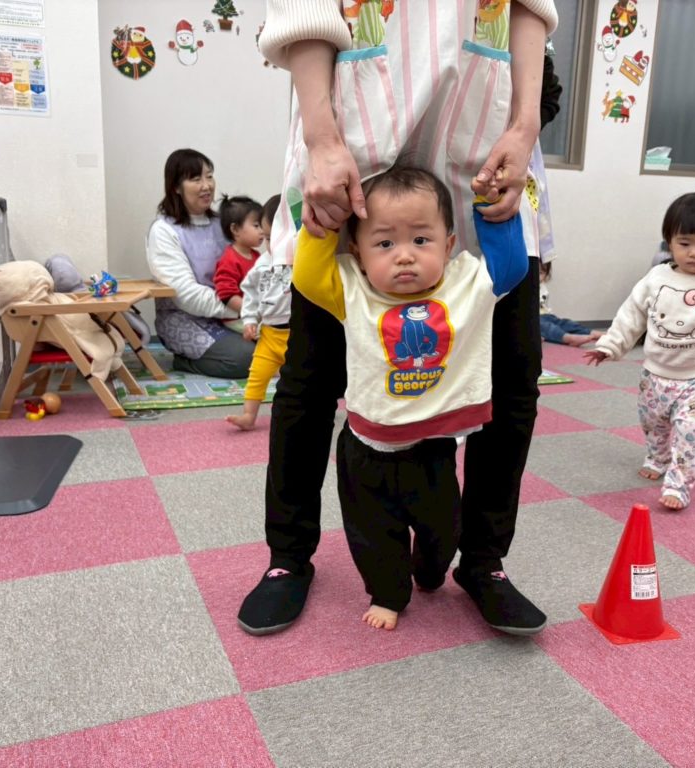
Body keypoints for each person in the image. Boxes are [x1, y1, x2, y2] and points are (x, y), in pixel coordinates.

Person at [238, 0, 559, 637]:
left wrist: (525, 126)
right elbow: (302, 12)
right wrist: (321, 138)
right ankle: (288, 557)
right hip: (355, 143)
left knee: (514, 383)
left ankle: (484, 561)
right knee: (309, 383)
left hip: (483, 137)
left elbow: (533, 8)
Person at [294, 165, 527, 630]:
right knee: (373, 535)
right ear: (358, 254)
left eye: (421, 240)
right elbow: (307, 275)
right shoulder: (352, 288)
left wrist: (493, 210)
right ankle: (387, 593)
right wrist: (321, 227)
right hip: (367, 452)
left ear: (449, 244)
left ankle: (432, 569)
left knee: (444, 532)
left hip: (434, 449)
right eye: (384, 244)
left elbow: (511, 267)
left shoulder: (466, 284)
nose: (404, 256)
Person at [584, 192, 695, 510]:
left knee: (690, 431)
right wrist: (610, 345)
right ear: (669, 241)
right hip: (655, 373)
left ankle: (679, 485)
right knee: (653, 422)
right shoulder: (657, 278)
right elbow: (631, 315)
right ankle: (657, 457)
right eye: (684, 243)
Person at [146, 148, 255, 379]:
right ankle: (185, 361)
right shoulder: (164, 231)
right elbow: (186, 295)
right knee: (247, 358)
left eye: (209, 176)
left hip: (233, 311)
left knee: (281, 344)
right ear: (176, 187)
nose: (206, 186)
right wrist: (244, 308)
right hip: (185, 317)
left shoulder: (223, 224)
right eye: (196, 179)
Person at [227, 194, 291, 431]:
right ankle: (248, 415)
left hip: (296, 335)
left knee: (303, 380)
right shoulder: (263, 262)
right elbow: (251, 294)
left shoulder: (300, 260)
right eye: (266, 238)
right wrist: (249, 320)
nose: (271, 245)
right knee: (257, 374)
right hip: (269, 335)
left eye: (277, 237)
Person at [214, 195, 265, 323]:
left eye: (262, 225)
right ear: (235, 229)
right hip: (238, 319)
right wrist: (253, 313)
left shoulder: (257, 256)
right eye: (256, 225)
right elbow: (226, 295)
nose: (262, 231)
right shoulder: (229, 259)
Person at [539, 261, 604, 346]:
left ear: (546, 274)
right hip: (535, 319)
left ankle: (591, 332)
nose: (536, 276)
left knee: (566, 323)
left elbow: (546, 305)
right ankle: (568, 338)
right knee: (548, 327)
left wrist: (551, 315)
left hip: (547, 315)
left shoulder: (543, 287)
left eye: (540, 273)